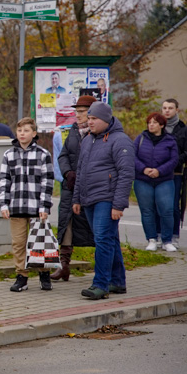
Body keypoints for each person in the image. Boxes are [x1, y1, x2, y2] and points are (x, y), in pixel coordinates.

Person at [72, 101, 135, 299]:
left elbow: (126, 174)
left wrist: (118, 204)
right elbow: (80, 171)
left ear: (106, 120)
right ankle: (117, 281)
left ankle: (100, 285)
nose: (89, 122)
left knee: (102, 240)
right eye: (88, 118)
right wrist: (77, 198)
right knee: (110, 239)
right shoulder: (89, 140)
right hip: (89, 198)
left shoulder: (120, 140)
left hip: (107, 199)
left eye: (94, 119)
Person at [0, 117, 55, 292]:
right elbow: (4, 181)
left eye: (26, 131)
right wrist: (4, 204)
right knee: (18, 243)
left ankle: (44, 273)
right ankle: (21, 276)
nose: (22, 134)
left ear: (34, 133)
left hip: (37, 208)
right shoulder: (8, 155)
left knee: (39, 241)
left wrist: (44, 207)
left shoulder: (43, 154)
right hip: (16, 206)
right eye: (19, 130)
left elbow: (48, 182)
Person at [53, 96, 96, 280]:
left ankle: (104, 268)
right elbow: (62, 155)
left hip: (91, 187)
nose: (77, 115)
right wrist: (67, 173)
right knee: (66, 224)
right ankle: (64, 265)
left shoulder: (99, 132)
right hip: (70, 186)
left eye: (81, 111)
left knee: (96, 228)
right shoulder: (72, 131)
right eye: (76, 111)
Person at [134, 112, 179, 252]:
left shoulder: (170, 140)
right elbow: (132, 156)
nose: (151, 125)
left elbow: (174, 160)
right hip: (143, 179)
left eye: (154, 122)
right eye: (149, 122)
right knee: (147, 210)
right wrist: (144, 169)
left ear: (161, 125)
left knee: (166, 210)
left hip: (164, 180)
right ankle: (152, 239)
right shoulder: (140, 139)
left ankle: (167, 240)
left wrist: (159, 171)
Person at [161, 98, 187, 247]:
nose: (167, 111)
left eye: (170, 108)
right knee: (159, 205)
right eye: (164, 108)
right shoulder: (157, 127)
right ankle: (159, 235)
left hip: (176, 173)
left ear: (177, 110)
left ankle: (174, 236)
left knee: (173, 206)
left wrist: (175, 160)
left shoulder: (184, 129)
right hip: (159, 173)